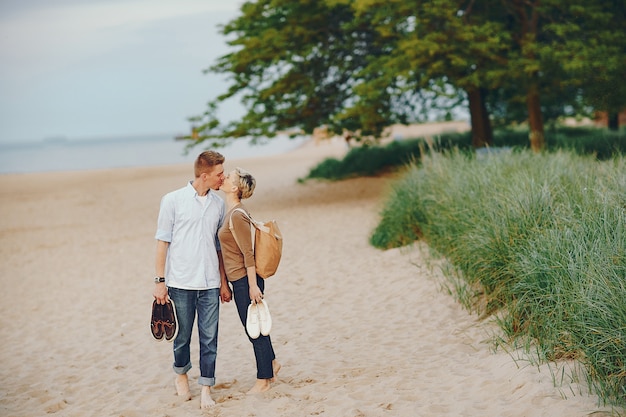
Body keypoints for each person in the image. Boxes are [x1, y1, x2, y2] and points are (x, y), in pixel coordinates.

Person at [153, 150, 232, 409]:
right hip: (180, 282)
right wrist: (159, 281)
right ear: (205, 175)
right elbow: (162, 243)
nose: (223, 178)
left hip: (209, 283)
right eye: (219, 174)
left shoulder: (218, 205)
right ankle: (181, 375)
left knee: (210, 338)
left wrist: (223, 282)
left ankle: (206, 388)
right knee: (182, 336)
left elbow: (218, 247)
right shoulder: (172, 200)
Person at [218, 167, 281, 393]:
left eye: (228, 177)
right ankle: (272, 364)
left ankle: (263, 380)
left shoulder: (237, 215)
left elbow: (248, 254)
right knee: (257, 327)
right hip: (240, 281)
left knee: (253, 330)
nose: (223, 178)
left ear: (235, 188)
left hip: (246, 281)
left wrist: (253, 286)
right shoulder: (233, 211)